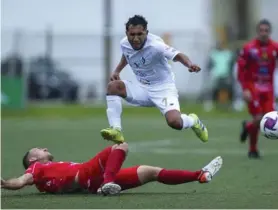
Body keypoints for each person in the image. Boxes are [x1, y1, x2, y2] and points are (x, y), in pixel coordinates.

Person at [100, 15, 208, 144]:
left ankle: (192, 120)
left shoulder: (156, 45)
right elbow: (127, 54)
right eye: (132, 34)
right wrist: (117, 71)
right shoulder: (124, 43)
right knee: (113, 87)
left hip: (163, 89)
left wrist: (190, 64)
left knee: (175, 122)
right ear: (126, 33)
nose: (135, 38)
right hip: (142, 88)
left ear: (146, 32)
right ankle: (116, 130)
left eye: (140, 34)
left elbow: (178, 55)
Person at [1, 143, 223, 195]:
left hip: (92, 183)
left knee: (150, 172)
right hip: (87, 177)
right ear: (32, 159)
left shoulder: (43, 173)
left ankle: (200, 175)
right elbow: (20, 182)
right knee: (120, 146)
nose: (44, 148)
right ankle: (108, 182)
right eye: (39, 149)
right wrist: (4, 183)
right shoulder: (37, 168)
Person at [237, 19, 278, 158]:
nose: (264, 33)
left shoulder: (275, 47)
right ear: (257, 32)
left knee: (270, 118)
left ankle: (247, 127)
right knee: (259, 117)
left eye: (266, 31)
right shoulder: (249, 48)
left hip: (269, 89)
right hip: (253, 87)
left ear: (270, 32)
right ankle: (253, 149)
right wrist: (245, 89)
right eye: (261, 30)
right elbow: (241, 70)